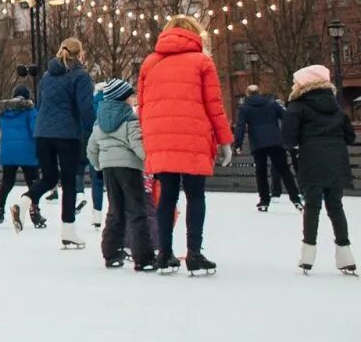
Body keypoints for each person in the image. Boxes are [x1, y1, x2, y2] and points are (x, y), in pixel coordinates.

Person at [136, 16, 231, 276]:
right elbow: (214, 104)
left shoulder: (149, 63)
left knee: (167, 194)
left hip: (160, 138)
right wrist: (224, 140)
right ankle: (195, 254)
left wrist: (149, 138)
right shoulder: (202, 62)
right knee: (195, 194)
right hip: (193, 136)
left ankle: (164, 254)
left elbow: (142, 107)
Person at [283, 64, 355, 275]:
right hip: (336, 161)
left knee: (312, 206)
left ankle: (308, 255)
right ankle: (345, 256)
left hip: (311, 161)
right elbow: (349, 136)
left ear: (303, 84)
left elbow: (288, 139)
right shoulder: (337, 108)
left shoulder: (297, 107)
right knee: (336, 207)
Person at [31, 37, 95, 250]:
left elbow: (41, 104)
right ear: (80, 54)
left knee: (49, 178)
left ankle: (24, 200)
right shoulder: (80, 76)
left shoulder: (47, 76)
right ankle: (68, 230)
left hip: (42, 133)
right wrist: (94, 129)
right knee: (68, 181)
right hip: (67, 135)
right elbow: (85, 109)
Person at [86, 77, 153, 270]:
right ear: (123, 99)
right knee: (137, 211)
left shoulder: (99, 122)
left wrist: (100, 165)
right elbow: (137, 144)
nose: (133, 99)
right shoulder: (129, 118)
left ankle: (111, 253)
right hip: (130, 168)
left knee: (115, 210)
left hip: (109, 169)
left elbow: (92, 148)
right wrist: (150, 163)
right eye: (130, 96)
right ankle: (144, 257)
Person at [235, 82, 301, 213]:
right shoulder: (272, 104)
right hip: (276, 141)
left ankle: (264, 201)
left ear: (247, 94)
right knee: (284, 170)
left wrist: (238, 144)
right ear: (259, 92)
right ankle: (296, 198)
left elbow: (240, 127)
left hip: (258, 143)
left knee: (261, 172)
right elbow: (286, 117)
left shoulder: (245, 108)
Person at [0, 84, 43, 230]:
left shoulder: (4, 112)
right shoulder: (30, 110)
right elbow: (36, 130)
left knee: (6, 183)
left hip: (8, 152)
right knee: (32, 183)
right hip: (27, 152)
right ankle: (34, 210)